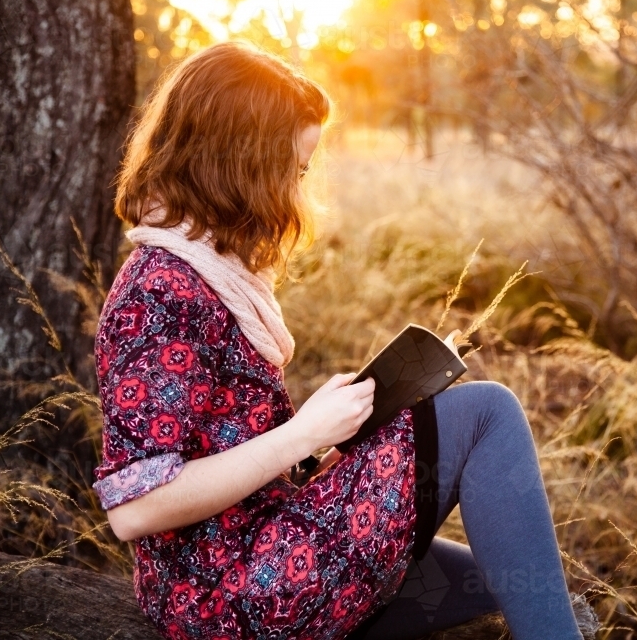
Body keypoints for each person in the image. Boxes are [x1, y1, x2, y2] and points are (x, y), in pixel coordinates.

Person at [93, 40, 585, 640]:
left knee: (509, 579)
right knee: (487, 413)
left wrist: (319, 448)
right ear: (237, 161)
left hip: (267, 542)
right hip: (227, 594)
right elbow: (135, 509)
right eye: (292, 171)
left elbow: (225, 443)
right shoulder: (158, 290)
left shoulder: (213, 270)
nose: (297, 192)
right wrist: (301, 433)